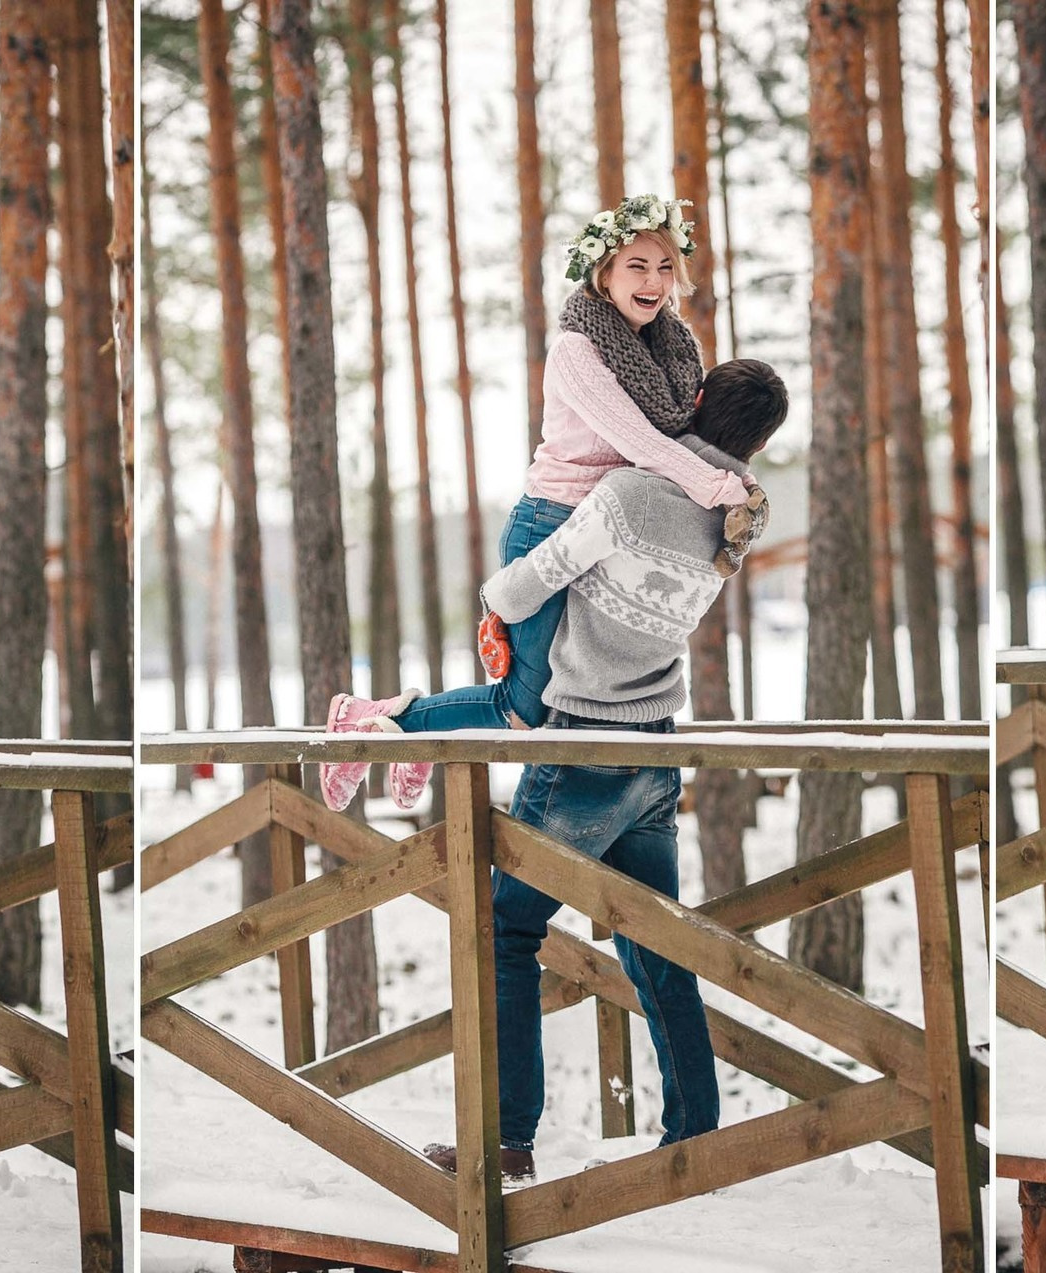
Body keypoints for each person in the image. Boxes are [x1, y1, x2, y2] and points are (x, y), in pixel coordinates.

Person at [348, 357, 790, 1183]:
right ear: (760, 441)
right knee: (657, 944)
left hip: (582, 743)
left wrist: (491, 591)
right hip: (653, 749)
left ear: (692, 403)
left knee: (502, 928)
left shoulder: (630, 495)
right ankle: (693, 1134)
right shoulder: (738, 515)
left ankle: (507, 1140)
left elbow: (522, 588)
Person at [317, 194, 764, 810]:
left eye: (664, 268)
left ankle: (405, 726)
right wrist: (718, 487)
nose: (654, 282)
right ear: (603, 272)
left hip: (611, 529)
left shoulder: (675, 351)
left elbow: (688, 436)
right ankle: (384, 719)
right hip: (552, 523)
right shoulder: (576, 351)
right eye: (638, 265)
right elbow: (641, 441)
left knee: (551, 698)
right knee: (524, 705)